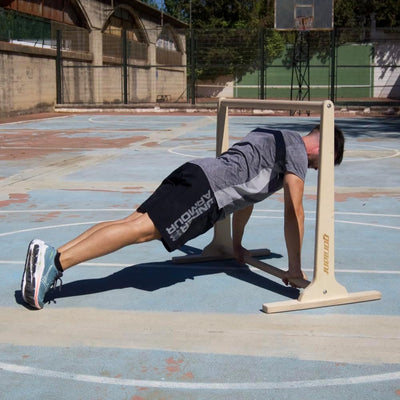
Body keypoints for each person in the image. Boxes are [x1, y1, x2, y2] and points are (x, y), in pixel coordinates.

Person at [21, 124, 345, 309]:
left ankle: (53, 254)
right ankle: (56, 263)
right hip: (206, 193)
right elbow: (295, 209)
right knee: (138, 232)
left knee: (130, 223)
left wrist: (237, 244)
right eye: (319, 166)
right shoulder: (298, 153)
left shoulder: (274, 136)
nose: (312, 170)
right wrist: (295, 266)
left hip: (196, 171)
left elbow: (248, 198)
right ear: (323, 151)